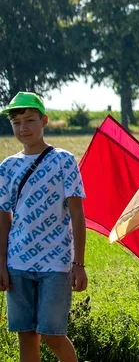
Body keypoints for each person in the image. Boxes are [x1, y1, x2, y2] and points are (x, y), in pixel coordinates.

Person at [0, 92, 87, 362]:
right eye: (16, 123)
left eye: (29, 120)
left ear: (44, 120)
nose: (23, 128)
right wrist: (1, 263)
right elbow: (3, 218)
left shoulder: (63, 160)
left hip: (56, 264)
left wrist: (79, 264)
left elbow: (77, 213)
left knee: (52, 334)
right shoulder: (8, 167)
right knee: (25, 335)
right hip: (18, 263)